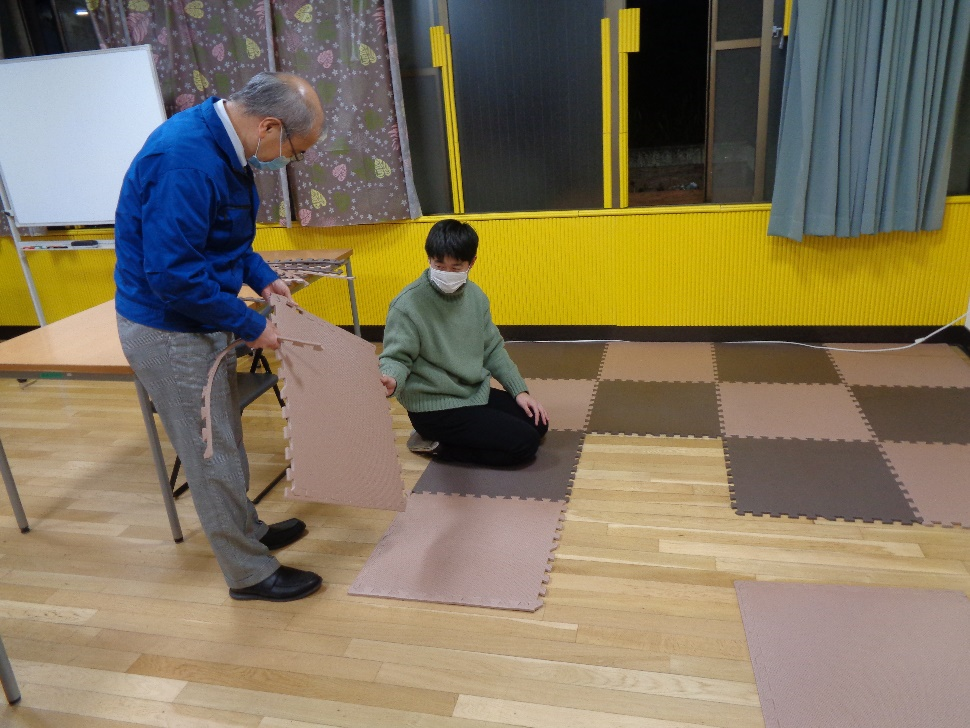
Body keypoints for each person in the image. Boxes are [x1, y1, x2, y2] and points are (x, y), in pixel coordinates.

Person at [114, 72, 326, 602]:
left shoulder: (229, 149)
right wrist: (254, 325)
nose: (289, 162)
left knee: (223, 438)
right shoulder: (184, 159)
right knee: (210, 451)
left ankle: (248, 530)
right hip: (167, 327)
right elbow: (173, 275)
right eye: (294, 152)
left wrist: (262, 277)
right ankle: (249, 573)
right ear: (270, 126)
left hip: (198, 314)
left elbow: (225, 239)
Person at [379, 219, 549, 466]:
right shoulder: (407, 305)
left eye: (456, 267)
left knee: (538, 422)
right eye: (440, 265)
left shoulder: (476, 297)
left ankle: (457, 437)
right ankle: (438, 446)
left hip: (470, 392)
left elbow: (492, 349)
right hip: (433, 406)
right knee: (525, 445)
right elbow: (396, 357)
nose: (447, 273)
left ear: (472, 263)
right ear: (429, 260)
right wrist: (391, 378)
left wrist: (519, 391)